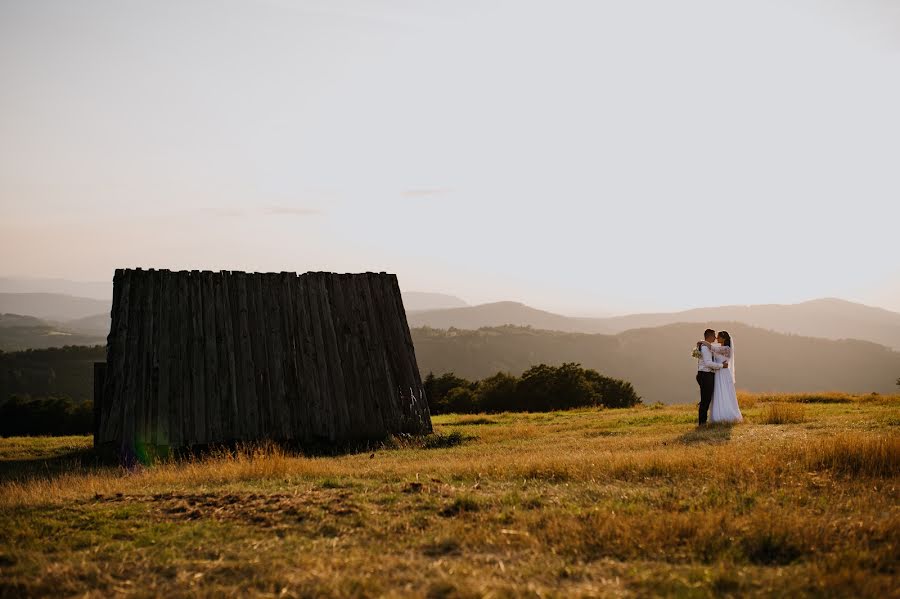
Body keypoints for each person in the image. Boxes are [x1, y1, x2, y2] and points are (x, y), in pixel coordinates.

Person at [700, 330, 743, 423]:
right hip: (718, 372)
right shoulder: (720, 347)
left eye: (718, 337)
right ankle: (718, 414)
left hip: (723, 373)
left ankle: (725, 415)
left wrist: (702, 342)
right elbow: (711, 349)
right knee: (718, 393)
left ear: (723, 338)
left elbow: (712, 348)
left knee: (724, 392)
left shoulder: (726, 348)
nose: (716, 338)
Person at [695, 328, 726, 425]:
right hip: (706, 375)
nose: (715, 337)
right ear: (709, 336)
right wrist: (722, 366)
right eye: (714, 335)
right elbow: (708, 363)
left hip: (704, 374)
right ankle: (702, 423)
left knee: (706, 399)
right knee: (705, 399)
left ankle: (703, 421)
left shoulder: (705, 346)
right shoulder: (705, 348)